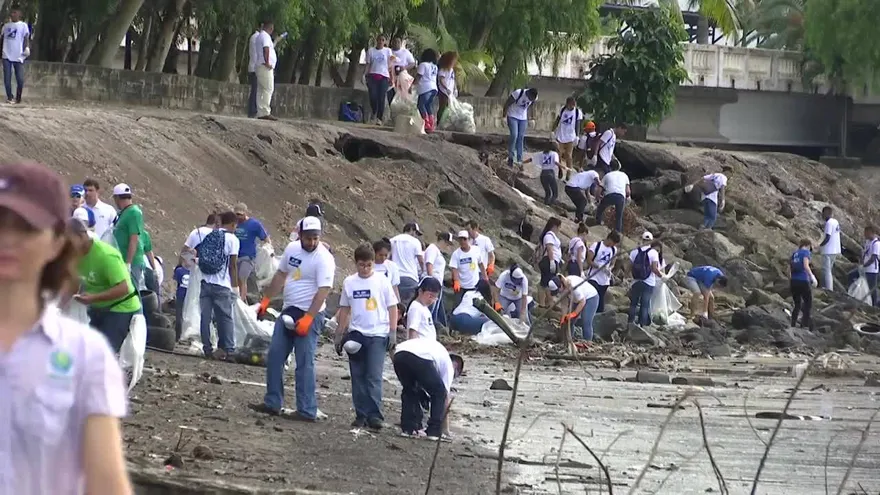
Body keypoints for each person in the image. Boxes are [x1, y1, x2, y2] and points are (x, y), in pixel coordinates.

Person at [0, 161, 132, 493]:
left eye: (26, 228)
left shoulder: (85, 356)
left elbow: (106, 484)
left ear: (57, 242)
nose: (7, 239)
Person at [256, 216, 335, 420]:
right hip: (289, 310)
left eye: (315, 238)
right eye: (308, 238)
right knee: (275, 355)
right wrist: (266, 300)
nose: (312, 242)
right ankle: (273, 402)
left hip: (312, 312)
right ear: (300, 235)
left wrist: (308, 318)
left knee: (304, 361)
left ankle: (307, 409)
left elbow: (323, 290)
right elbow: (281, 275)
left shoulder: (324, 258)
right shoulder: (292, 249)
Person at [334, 244, 399, 430]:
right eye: (361, 265)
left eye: (368, 265)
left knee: (374, 375)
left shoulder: (382, 281)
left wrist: (392, 332)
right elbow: (345, 309)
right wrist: (339, 333)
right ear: (356, 263)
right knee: (358, 374)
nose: (365, 269)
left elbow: (392, 307)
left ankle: (374, 415)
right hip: (357, 333)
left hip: (378, 333)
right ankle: (361, 413)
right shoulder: (349, 282)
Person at [70, 218, 142, 353]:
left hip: (120, 307)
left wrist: (93, 298)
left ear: (80, 236)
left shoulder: (106, 255)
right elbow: (72, 281)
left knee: (103, 352)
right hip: (97, 308)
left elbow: (124, 288)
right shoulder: (74, 255)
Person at [392, 337, 463, 440]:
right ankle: (434, 431)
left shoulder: (437, 351)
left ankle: (409, 428)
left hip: (399, 354)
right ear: (456, 366)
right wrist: (446, 429)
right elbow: (444, 397)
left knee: (410, 390)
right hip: (420, 357)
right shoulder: (449, 365)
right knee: (439, 392)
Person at [197, 211, 240, 359]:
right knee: (225, 317)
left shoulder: (210, 236)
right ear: (233, 224)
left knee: (205, 317)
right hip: (222, 284)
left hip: (205, 282)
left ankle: (207, 349)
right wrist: (236, 287)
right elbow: (232, 266)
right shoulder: (233, 239)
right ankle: (228, 349)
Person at [111, 183, 147, 291]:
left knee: (133, 292)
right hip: (122, 259)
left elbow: (133, 238)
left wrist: (129, 262)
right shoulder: (125, 213)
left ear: (117, 198)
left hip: (132, 261)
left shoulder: (133, 212)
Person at [234, 202, 270, 300]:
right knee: (235, 279)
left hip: (248, 256)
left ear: (245, 213)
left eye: (240, 214)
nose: (238, 217)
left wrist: (267, 249)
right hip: (234, 256)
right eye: (236, 214)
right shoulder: (233, 223)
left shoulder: (254, 224)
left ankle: (241, 299)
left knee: (242, 277)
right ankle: (237, 298)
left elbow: (265, 238)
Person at [549, 274, 600, 342]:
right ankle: (569, 340)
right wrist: (564, 316)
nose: (558, 292)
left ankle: (587, 342)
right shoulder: (562, 289)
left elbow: (582, 301)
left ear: (561, 285)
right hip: (576, 300)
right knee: (569, 321)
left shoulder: (572, 286)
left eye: (558, 290)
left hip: (590, 298)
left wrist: (574, 313)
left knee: (586, 321)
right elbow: (564, 303)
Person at [628, 232, 663, 327]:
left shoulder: (634, 251)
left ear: (642, 239)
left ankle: (630, 322)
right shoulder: (653, 253)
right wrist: (661, 276)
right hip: (649, 282)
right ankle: (642, 325)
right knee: (645, 304)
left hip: (636, 280)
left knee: (633, 303)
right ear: (651, 241)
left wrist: (628, 277)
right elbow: (654, 268)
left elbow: (629, 266)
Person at [363, 34, 395, 125]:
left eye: (382, 40)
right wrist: (364, 74)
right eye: (379, 40)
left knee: (381, 97)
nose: (380, 41)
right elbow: (368, 64)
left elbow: (391, 65)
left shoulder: (388, 51)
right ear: (376, 41)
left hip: (384, 76)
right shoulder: (371, 51)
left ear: (384, 42)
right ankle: (374, 111)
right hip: (372, 75)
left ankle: (379, 118)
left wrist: (392, 77)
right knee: (373, 95)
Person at [586, 231, 620, 313]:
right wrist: (598, 266)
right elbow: (589, 260)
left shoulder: (613, 249)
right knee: (594, 296)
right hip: (593, 276)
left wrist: (610, 269)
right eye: (613, 242)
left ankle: (598, 317)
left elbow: (613, 263)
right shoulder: (596, 246)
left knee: (601, 300)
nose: (613, 245)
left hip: (604, 279)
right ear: (609, 239)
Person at [503, 88, 539, 166]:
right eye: (530, 98)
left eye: (532, 99)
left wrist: (531, 118)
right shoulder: (518, 93)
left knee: (521, 137)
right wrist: (504, 117)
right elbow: (507, 103)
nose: (530, 100)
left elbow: (531, 107)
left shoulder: (534, 98)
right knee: (514, 135)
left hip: (523, 118)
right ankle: (511, 157)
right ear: (528, 93)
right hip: (512, 115)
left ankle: (519, 159)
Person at [390, 222, 425, 303]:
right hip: (410, 277)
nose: (416, 235)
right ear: (411, 230)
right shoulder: (415, 242)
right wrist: (422, 271)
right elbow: (421, 260)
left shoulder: (393, 240)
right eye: (416, 233)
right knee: (408, 306)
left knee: (395, 304)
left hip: (395, 277)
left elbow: (389, 258)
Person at [425, 231, 453, 326]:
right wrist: (430, 280)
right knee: (430, 307)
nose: (447, 246)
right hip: (432, 283)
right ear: (442, 240)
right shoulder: (432, 249)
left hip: (437, 284)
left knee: (434, 309)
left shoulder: (438, 252)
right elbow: (429, 263)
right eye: (447, 243)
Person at [1, 7, 29, 105]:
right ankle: (10, 97)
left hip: (18, 56)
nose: (12, 14)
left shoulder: (23, 25)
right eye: (11, 12)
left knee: (20, 80)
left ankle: (18, 98)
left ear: (19, 14)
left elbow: (26, 38)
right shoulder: (5, 26)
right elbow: (2, 39)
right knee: (7, 79)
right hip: (6, 55)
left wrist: (27, 48)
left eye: (14, 12)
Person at [595, 160, 630, 233]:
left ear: (610, 167)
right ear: (618, 167)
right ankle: (617, 233)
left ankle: (597, 224)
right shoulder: (624, 175)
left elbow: (599, 189)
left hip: (609, 195)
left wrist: (598, 198)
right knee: (619, 216)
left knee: (600, 209)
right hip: (620, 196)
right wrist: (627, 197)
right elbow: (628, 191)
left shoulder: (607, 175)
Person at [552, 96, 583, 180]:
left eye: (573, 106)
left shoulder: (577, 112)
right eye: (570, 106)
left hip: (570, 137)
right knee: (558, 154)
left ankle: (568, 173)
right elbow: (557, 120)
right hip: (561, 135)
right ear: (567, 104)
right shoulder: (562, 110)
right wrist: (552, 131)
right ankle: (560, 169)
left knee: (568, 155)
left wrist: (577, 136)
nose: (572, 107)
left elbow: (578, 125)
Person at [788, 240, 817, 328]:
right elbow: (805, 265)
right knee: (808, 303)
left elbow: (788, 269)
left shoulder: (795, 253)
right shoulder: (806, 252)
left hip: (794, 281)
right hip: (803, 280)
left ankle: (792, 324)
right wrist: (812, 276)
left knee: (797, 303)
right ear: (808, 245)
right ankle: (804, 325)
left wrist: (791, 279)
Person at [450, 231, 486, 298]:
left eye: (464, 239)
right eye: (460, 239)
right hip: (461, 286)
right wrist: (456, 281)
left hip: (474, 285)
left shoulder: (476, 250)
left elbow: (481, 264)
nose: (462, 241)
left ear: (468, 239)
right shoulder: (456, 254)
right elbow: (454, 268)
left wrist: (485, 278)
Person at [850, 226, 880, 307]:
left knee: (872, 288)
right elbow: (864, 253)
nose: (865, 235)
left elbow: (873, 258)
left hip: (872, 270)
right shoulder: (867, 242)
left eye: (867, 233)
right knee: (852, 276)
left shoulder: (876, 244)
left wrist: (864, 265)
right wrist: (861, 262)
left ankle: (874, 305)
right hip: (864, 268)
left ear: (872, 233)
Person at [254, 19, 278, 121]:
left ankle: (260, 111)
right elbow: (266, 48)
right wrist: (268, 62)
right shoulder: (265, 36)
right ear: (271, 28)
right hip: (264, 66)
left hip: (260, 65)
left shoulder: (260, 36)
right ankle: (265, 112)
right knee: (268, 88)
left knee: (261, 89)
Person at [536, 217, 562, 308]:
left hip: (553, 260)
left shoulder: (552, 236)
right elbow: (550, 248)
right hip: (549, 260)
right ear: (555, 226)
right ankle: (546, 303)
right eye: (559, 227)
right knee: (548, 283)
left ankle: (546, 303)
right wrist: (551, 261)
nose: (559, 229)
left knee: (547, 282)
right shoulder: (549, 236)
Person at [414, 49, 439, 132]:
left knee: (421, 105)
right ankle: (431, 123)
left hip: (425, 88)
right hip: (434, 88)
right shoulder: (435, 66)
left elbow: (418, 77)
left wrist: (412, 85)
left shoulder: (423, 65)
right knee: (428, 106)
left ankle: (426, 123)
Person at [817, 206, 841, 291]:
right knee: (829, 270)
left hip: (828, 250)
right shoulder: (836, 222)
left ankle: (828, 289)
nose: (822, 216)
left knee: (826, 271)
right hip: (835, 250)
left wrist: (819, 245)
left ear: (826, 213)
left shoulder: (829, 223)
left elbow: (827, 237)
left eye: (823, 213)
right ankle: (828, 287)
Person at [372, 238, 402, 302]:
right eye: (380, 255)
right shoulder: (369, 265)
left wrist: (398, 303)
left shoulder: (392, 266)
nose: (383, 258)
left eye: (385, 255)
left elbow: (394, 287)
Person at [388, 37, 416, 105]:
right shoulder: (388, 51)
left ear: (400, 43)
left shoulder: (405, 52)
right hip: (390, 75)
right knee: (390, 94)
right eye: (395, 41)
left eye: (398, 42)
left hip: (402, 76)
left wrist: (404, 67)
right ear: (392, 42)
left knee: (402, 94)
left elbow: (412, 63)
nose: (396, 43)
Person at [436, 51, 458, 123]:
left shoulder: (451, 70)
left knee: (448, 107)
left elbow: (452, 80)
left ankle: (445, 122)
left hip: (450, 91)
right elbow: (442, 80)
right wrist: (446, 88)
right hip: (443, 91)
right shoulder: (442, 70)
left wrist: (455, 88)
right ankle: (439, 122)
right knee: (443, 107)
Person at [173, 262, 190, 340]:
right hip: (184, 296)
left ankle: (180, 335)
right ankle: (179, 335)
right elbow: (174, 283)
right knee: (180, 316)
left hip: (185, 296)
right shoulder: (179, 270)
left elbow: (174, 283)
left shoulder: (179, 270)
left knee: (181, 316)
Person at [246, 26, 261, 118]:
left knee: (255, 90)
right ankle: (252, 110)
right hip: (255, 68)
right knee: (255, 90)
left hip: (254, 66)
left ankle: (253, 110)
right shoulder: (257, 37)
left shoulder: (255, 37)